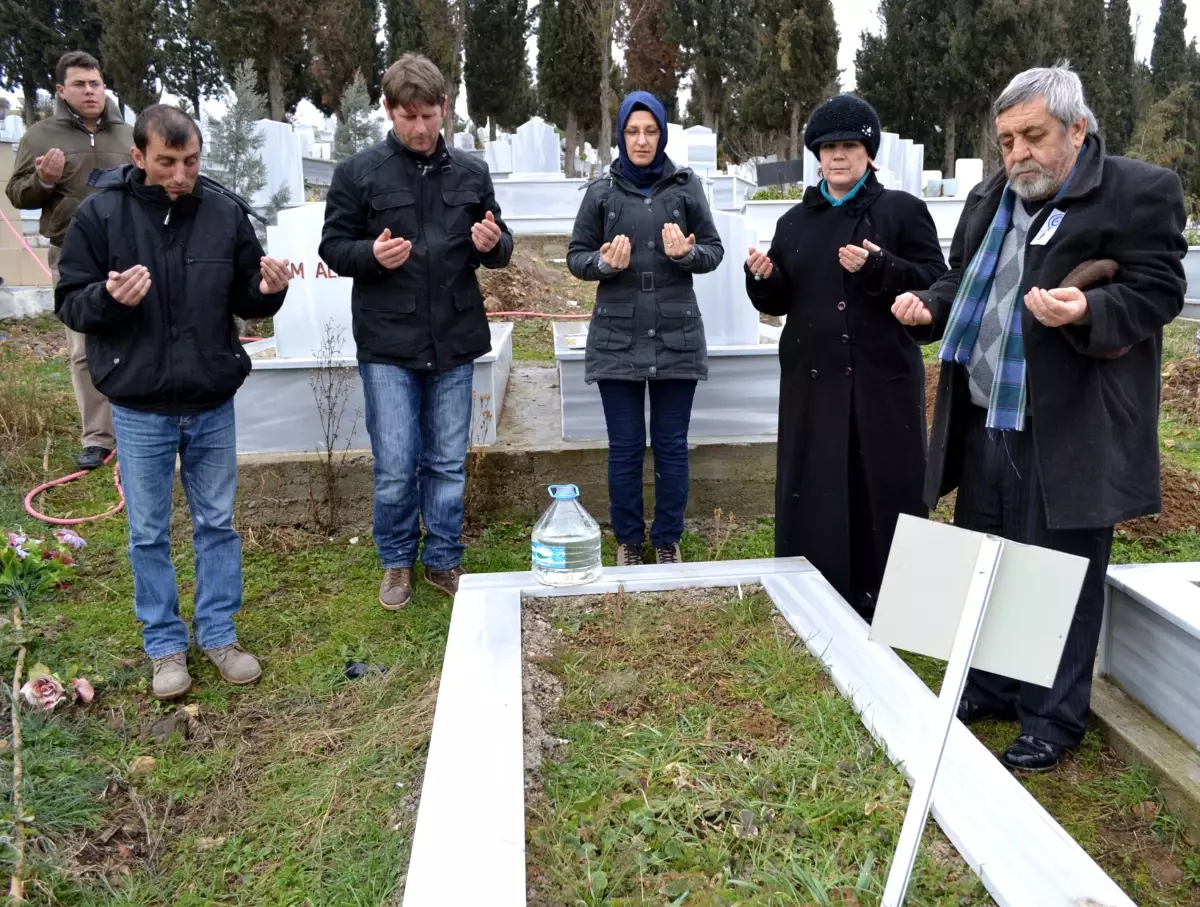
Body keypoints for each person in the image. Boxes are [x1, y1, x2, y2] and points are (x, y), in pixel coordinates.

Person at [892, 65, 1186, 772]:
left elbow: (1160, 290)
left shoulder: (1137, 191)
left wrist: (1089, 310)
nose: (1017, 152)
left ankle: (1053, 715)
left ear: (1077, 129)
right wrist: (929, 305)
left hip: (1070, 420)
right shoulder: (993, 194)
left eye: (1033, 135)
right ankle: (991, 685)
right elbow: (962, 275)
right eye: (1006, 139)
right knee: (991, 550)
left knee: (1059, 569)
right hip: (985, 408)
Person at [55, 105, 292, 700]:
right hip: (139, 404)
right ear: (138, 157)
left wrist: (267, 291)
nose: (181, 174)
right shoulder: (100, 215)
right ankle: (164, 646)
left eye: (190, 161)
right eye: (167, 162)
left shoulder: (223, 212)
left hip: (211, 397)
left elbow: (245, 295)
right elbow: (70, 303)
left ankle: (219, 635)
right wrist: (108, 299)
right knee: (148, 533)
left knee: (217, 525)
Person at [319, 54, 512, 610]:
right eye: (409, 117)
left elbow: (500, 244)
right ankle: (397, 561)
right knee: (398, 463)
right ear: (389, 111)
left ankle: (445, 557)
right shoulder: (360, 172)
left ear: (445, 108)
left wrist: (490, 244)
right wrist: (372, 255)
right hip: (388, 344)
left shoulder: (471, 173)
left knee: (448, 461)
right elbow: (332, 246)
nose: (421, 128)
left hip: (453, 338)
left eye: (429, 115)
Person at [744, 95, 946, 619]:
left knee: (882, 488)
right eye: (829, 147)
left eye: (850, 146)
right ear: (816, 155)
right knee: (817, 489)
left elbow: (935, 282)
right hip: (814, 385)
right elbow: (783, 299)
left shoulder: (901, 211)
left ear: (869, 153)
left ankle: (895, 601)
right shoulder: (794, 222)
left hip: (881, 382)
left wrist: (882, 267)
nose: (838, 156)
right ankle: (815, 594)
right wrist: (764, 278)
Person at [567, 91, 724, 566]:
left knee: (672, 445)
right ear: (620, 134)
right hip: (618, 336)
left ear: (662, 134)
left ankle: (668, 539)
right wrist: (602, 264)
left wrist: (687, 256)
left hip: (676, 333)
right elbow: (576, 256)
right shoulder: (601, 192)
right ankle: (630, 541)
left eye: (650, 131)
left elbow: (713, 250)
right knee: (627, 446)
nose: (641, 140)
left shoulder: (684, 187)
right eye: (632, 131)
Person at [6, 51, 133, 472]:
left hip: (129, 252)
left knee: (138, 335)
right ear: (62, 91)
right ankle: (98, 437)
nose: (90, 91)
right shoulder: (41, 136)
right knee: (82, 346)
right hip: (73, 252)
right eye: (80, 84)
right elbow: (17, 193)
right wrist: (43, 178)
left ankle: (139, 422)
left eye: (96, 83)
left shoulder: (129, 135)